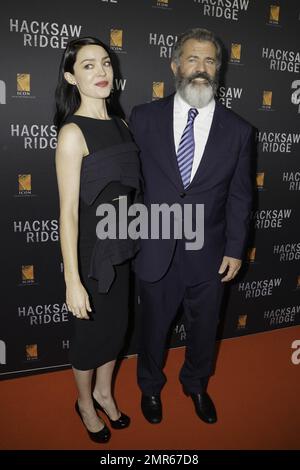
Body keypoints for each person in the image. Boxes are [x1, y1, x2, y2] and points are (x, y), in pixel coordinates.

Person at [130, 28, 253, 425]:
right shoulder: (144, 117)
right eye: (192, 59)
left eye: (210, 61)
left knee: (204, 332)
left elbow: (240, 196)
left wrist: (236, 248)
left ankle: (196, 383)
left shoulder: (239, 130)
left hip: (211, 255)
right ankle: (150, 387)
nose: (201, 68)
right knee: (152, 330)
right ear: (175, 65)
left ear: (219, 69)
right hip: (155, 251)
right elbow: (132, 186)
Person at [54, 37, 141, 442]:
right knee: (90, 339)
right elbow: (68, 212)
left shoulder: (122, 126)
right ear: (72, 76)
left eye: (105, 63)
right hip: (91, 256)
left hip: (121, 246)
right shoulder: (72, 133)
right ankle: (85, 403)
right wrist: (73, 279)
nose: (101, 71)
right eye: (88, 66)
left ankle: (105, 392)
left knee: (117, 329)